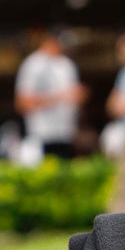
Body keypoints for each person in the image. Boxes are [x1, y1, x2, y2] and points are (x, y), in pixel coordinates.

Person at [14, 29, 87, 160]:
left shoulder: (67, 65)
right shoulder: (33, 64)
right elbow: (22, 103)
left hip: (66, 134)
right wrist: (58, 98)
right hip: (41, 136)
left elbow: (74, 98)